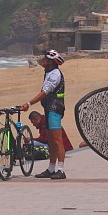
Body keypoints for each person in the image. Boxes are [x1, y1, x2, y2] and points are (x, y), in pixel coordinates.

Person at [20, 50, 68, 180]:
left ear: (50, 62)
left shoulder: (55, 74)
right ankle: (51, 169)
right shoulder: (49, 72)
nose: (42, 60)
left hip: (55, 110)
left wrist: (29, 104)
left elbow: (45, 92)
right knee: (51, 141)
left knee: (57, 141)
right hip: (48, 109)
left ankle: (61, 170)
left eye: (45, 59)